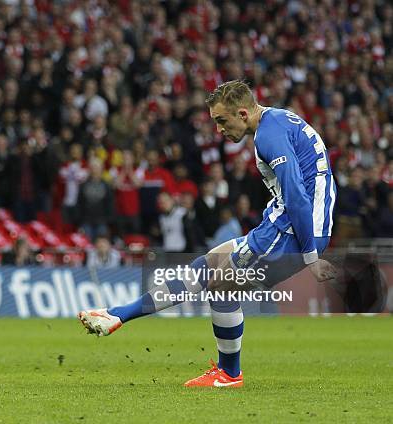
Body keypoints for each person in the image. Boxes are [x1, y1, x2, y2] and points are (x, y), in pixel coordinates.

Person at [78, 80, 337, 388]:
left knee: (216, 282)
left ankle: (225, 371)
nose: (219, 130)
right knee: (209, 267)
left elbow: (296, 194)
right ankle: (120, 315)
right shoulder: (278, 120)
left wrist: (310, 255)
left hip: (290, 231)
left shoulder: (269, 135)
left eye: (222, 121)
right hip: (286, 225)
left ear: (242, 113)